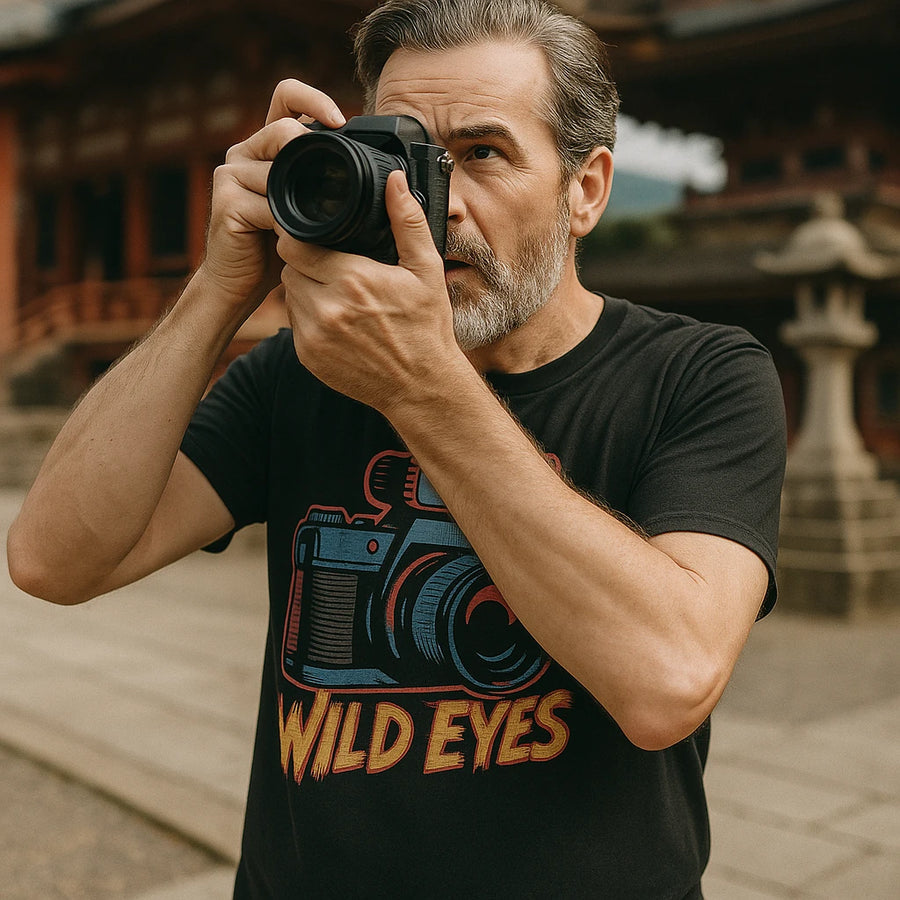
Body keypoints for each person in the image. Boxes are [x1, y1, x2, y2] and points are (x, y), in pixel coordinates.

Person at [7, 0, 786, 896]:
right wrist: (220, 288)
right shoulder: (301, 377)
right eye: (406, 160)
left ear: (587, 189)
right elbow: (49, 561)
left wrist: (421, 388)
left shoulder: (700, 375)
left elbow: (668, 683)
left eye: (484, 154)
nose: (437, 204)